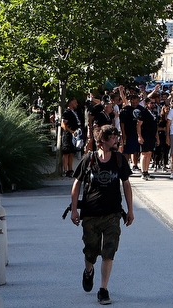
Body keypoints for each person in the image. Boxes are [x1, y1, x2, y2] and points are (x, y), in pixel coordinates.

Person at [69, 124, 134, 306]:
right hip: (90, 214)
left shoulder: (120, 160)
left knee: (109, 250)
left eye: (116, 136)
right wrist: (74, 210)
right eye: (112, 137)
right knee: (91, 250)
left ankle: (103, 289)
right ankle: (88, 271)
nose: (116, 139)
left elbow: (127, 185)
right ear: (102, 141)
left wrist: (130, 210)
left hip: (112, 214)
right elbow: (76, 185)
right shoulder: (88, 160)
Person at [61, 97, 82, 177]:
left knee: (72, 152)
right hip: (68, 134)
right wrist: (71, 131)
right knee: (66, 152)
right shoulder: (67, 112)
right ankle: (65, 170)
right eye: (75, 102)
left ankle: (70, 170)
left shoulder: (75, 112)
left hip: (75, 135)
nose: (76, 104)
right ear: (70, 103)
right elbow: (63, 125)